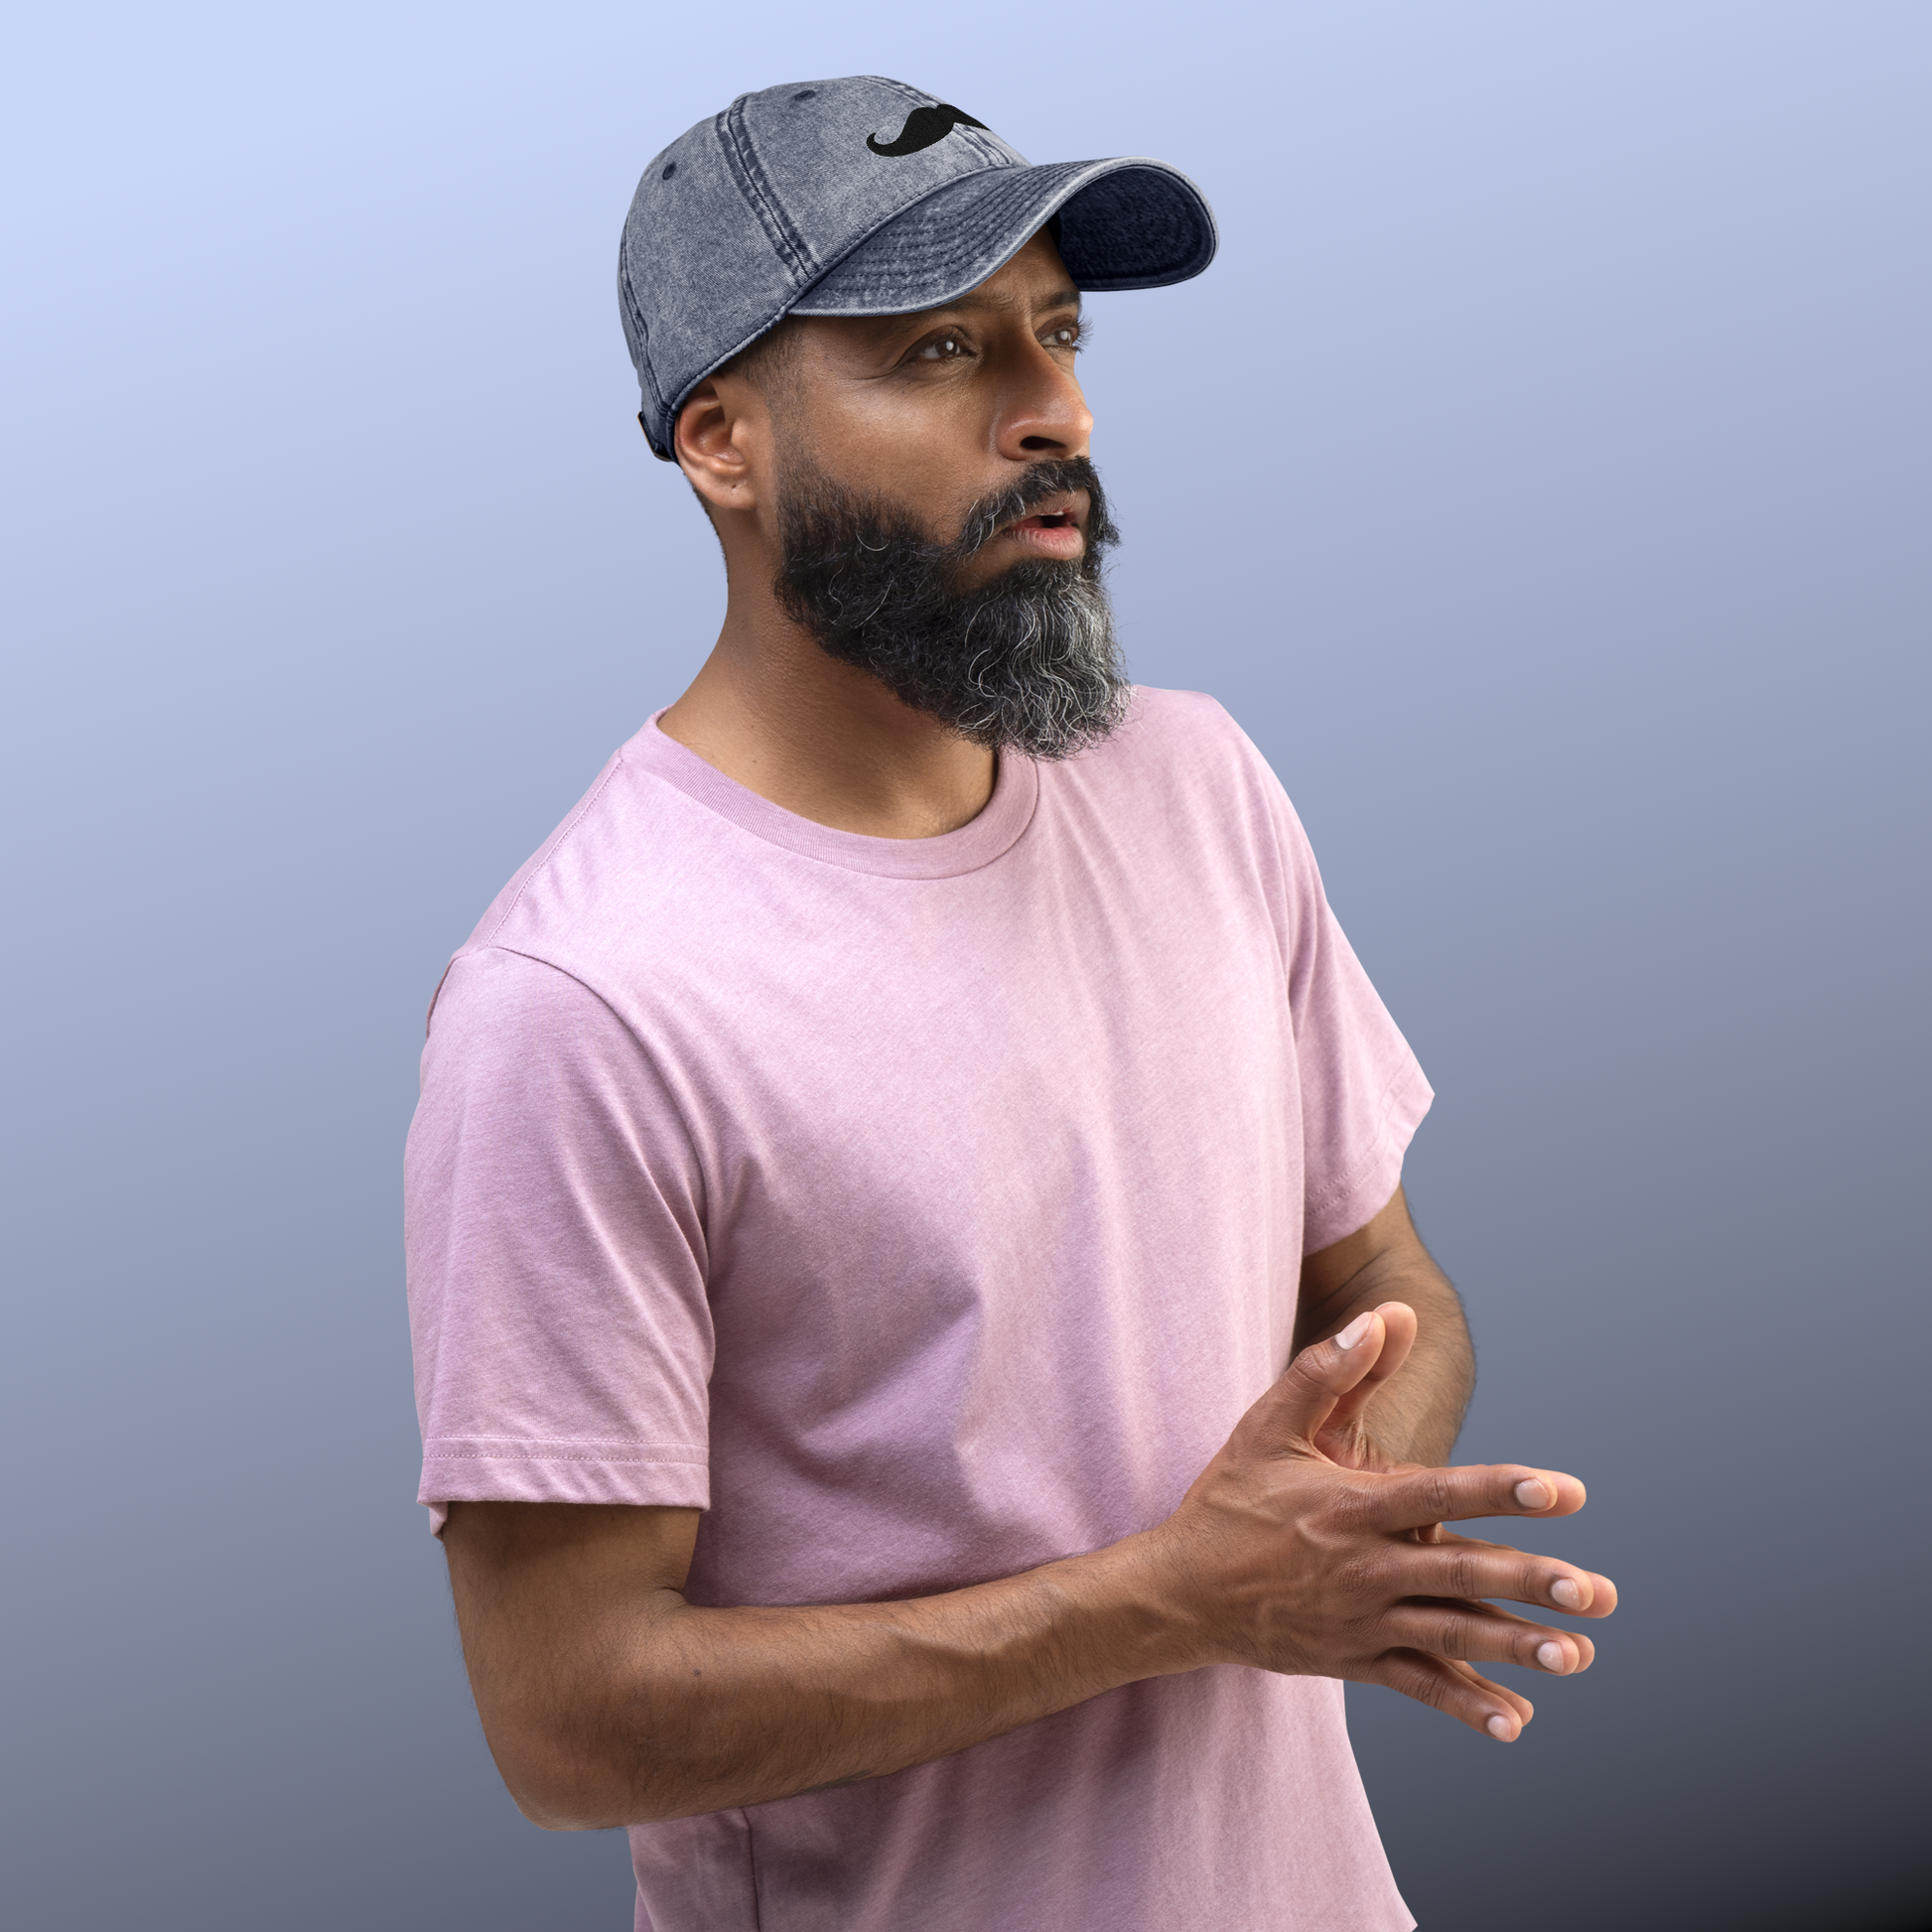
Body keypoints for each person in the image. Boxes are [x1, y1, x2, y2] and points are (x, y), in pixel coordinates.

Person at [403, 75, 1617, 1932]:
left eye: (1054, 331)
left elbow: (1382, 1284)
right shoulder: (583, 1001)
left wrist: (1332, 1518)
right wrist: (1185, 1593)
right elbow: (568, 1723)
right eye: (939, 350)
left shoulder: (1199, 786)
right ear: (721, 439)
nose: (1054, 409)